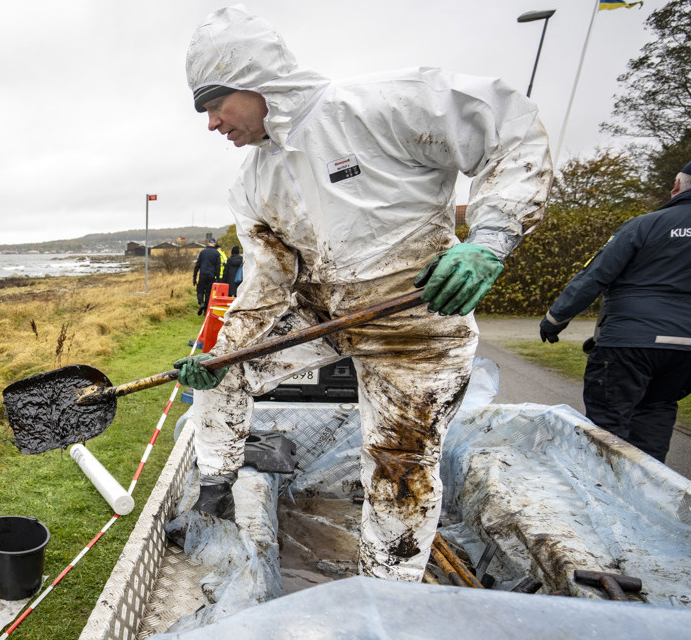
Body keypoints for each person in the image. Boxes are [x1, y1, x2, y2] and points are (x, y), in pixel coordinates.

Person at [174, 6, 550, 581]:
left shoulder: (379, 106)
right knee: (223, 372)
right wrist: (224, 348)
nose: (211, 125)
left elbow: (509, 128)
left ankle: (387, 593)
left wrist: (491, 238)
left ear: (253, 82)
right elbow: (268, 278)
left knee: (401, 466)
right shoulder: (254, 181)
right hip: (325, 312)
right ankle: (215, 486)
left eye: (214, 106)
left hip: (418, 320)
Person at [539, 161, 691, 462]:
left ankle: (597, 497)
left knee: (607, 429)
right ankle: (646, 496)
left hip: (629, 342)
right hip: (685, 351)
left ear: (676, 188)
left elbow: (595, 275)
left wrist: (555, 319)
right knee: (657, 414)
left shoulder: (646, 225)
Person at [193, 238, 223, 315]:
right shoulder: (217, 253)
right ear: (215, 243)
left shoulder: (202, 252)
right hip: (211, 276)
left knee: (200, 291)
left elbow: (197, 265)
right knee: (208, 293)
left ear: (208, 243)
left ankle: (201, 303)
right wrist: (218, 278)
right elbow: (218, 267)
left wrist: (194, 277)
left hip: (203, 275)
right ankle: (205, 311)